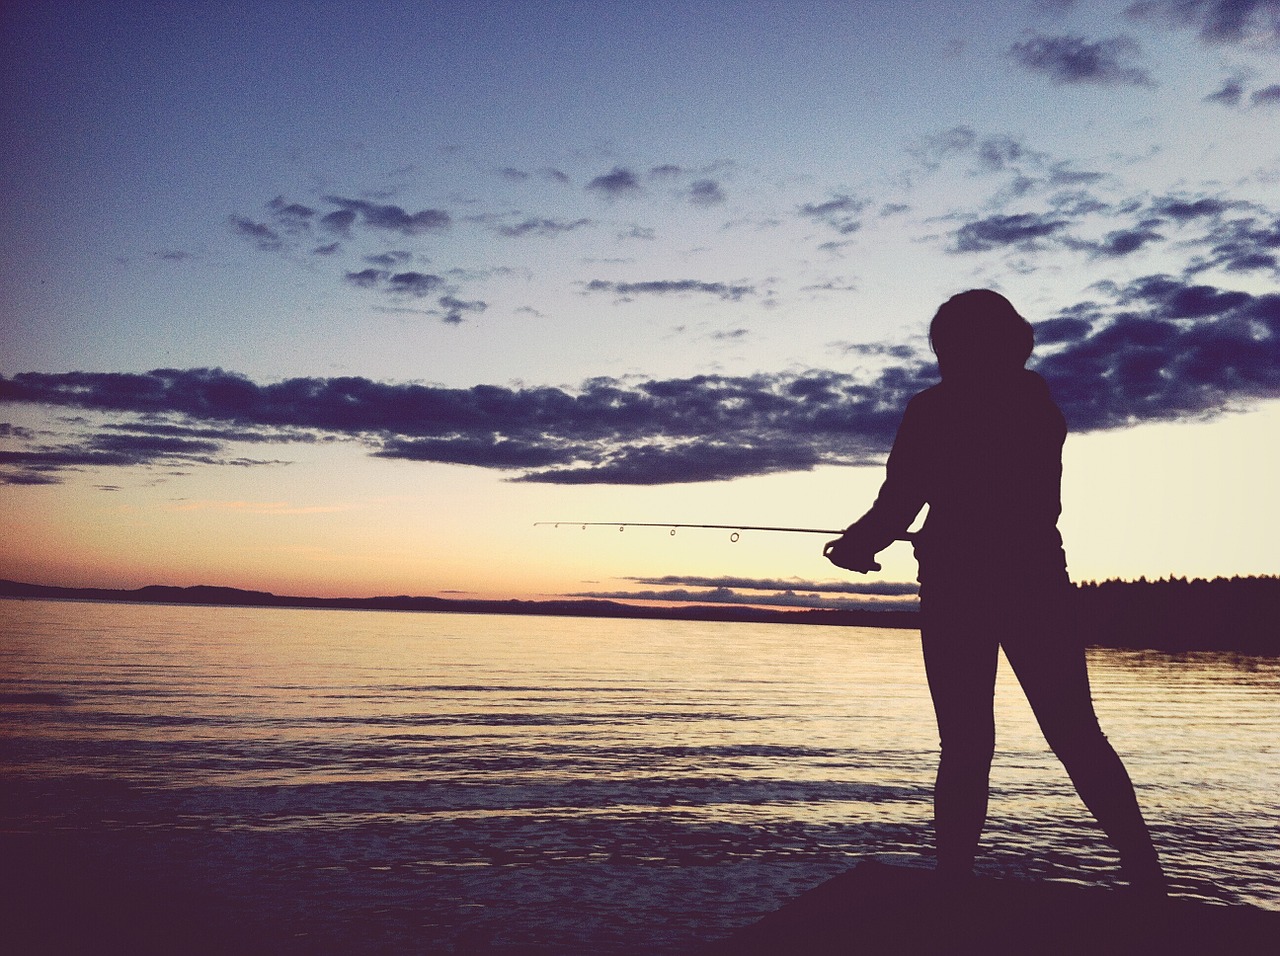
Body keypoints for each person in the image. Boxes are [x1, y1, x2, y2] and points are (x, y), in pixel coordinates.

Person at [824, 289, 1166, 893]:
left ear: (950, 347)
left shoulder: (934, 408)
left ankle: (953, 883)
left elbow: (902, 499)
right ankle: (1144, 869)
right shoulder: (1038, 403)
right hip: (1038, 579)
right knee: (1073, 728)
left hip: (959, 590)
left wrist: (856, 545)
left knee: (964, 741)